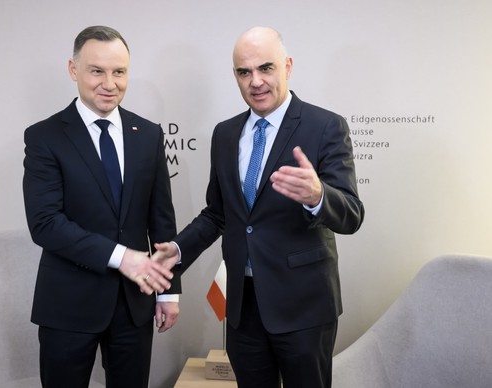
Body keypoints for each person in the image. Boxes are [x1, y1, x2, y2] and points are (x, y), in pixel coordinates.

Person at [153, 26, 364, 388]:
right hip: (242, 307)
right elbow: (217, 214)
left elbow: (351, 214)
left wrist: (317, 197)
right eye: (244, 72)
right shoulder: (225, 134)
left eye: (266, 68)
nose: (256, 81)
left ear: (288, 66)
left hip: (304, 306)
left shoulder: (325, 126)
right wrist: (177, 249)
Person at [22, 25, 180, 388]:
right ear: (73, 70)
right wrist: (123, 257)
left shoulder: (149, 134)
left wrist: (168, 290)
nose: (110, 83)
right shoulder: (44, 137)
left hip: (134, 305)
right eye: (97, 71)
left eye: (119, 72)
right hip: (67, 304)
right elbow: (45, 223)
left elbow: (161, 220)